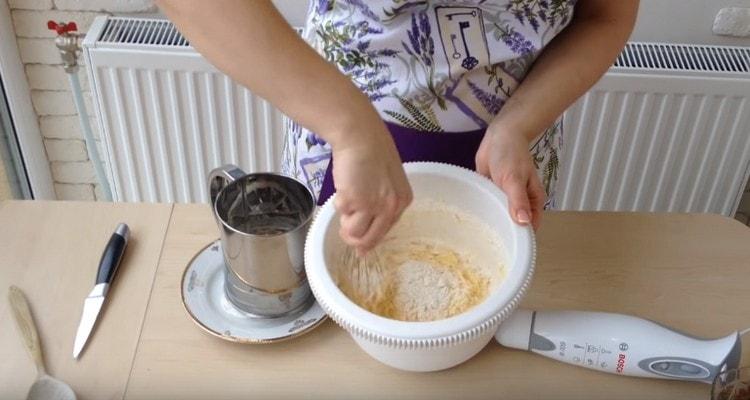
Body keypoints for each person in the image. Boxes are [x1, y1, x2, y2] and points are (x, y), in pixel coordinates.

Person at [157, 0, 638, 254]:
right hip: (345, 146)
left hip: (514, 146)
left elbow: (605, 16)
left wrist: (518, 124)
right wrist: (349, 128)